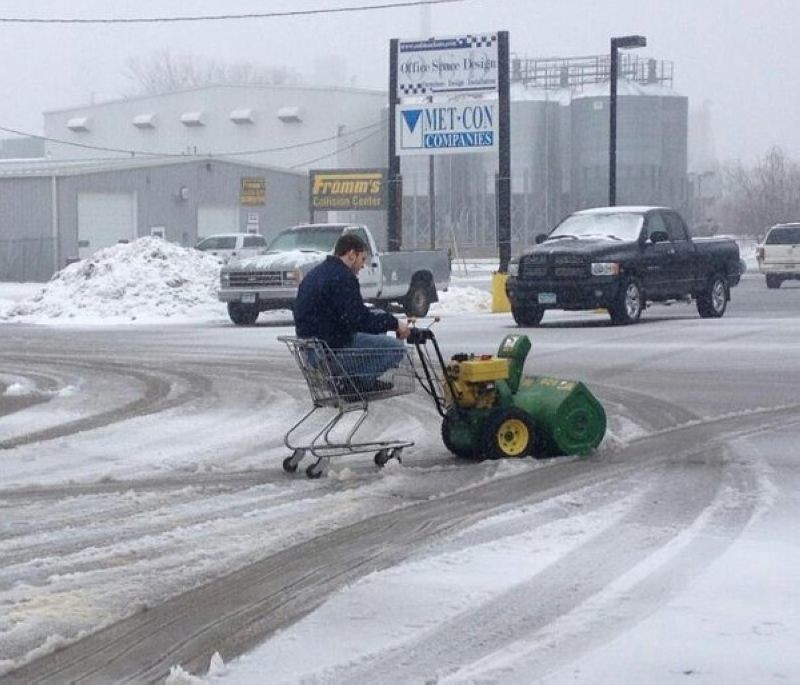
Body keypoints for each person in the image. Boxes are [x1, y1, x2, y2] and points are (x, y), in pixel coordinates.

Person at [293, 233, 410, 393]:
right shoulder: (343, 278)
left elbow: (348, 313)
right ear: (351, 255)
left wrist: (381, 321)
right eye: (362, 259)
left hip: (312, 351)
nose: (363, 266)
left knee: (378, 326)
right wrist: (395, 323)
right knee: (396, 349)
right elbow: (358, 320)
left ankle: (356, 381)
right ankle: (354, 384)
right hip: (329, 353)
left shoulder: (315, 274)